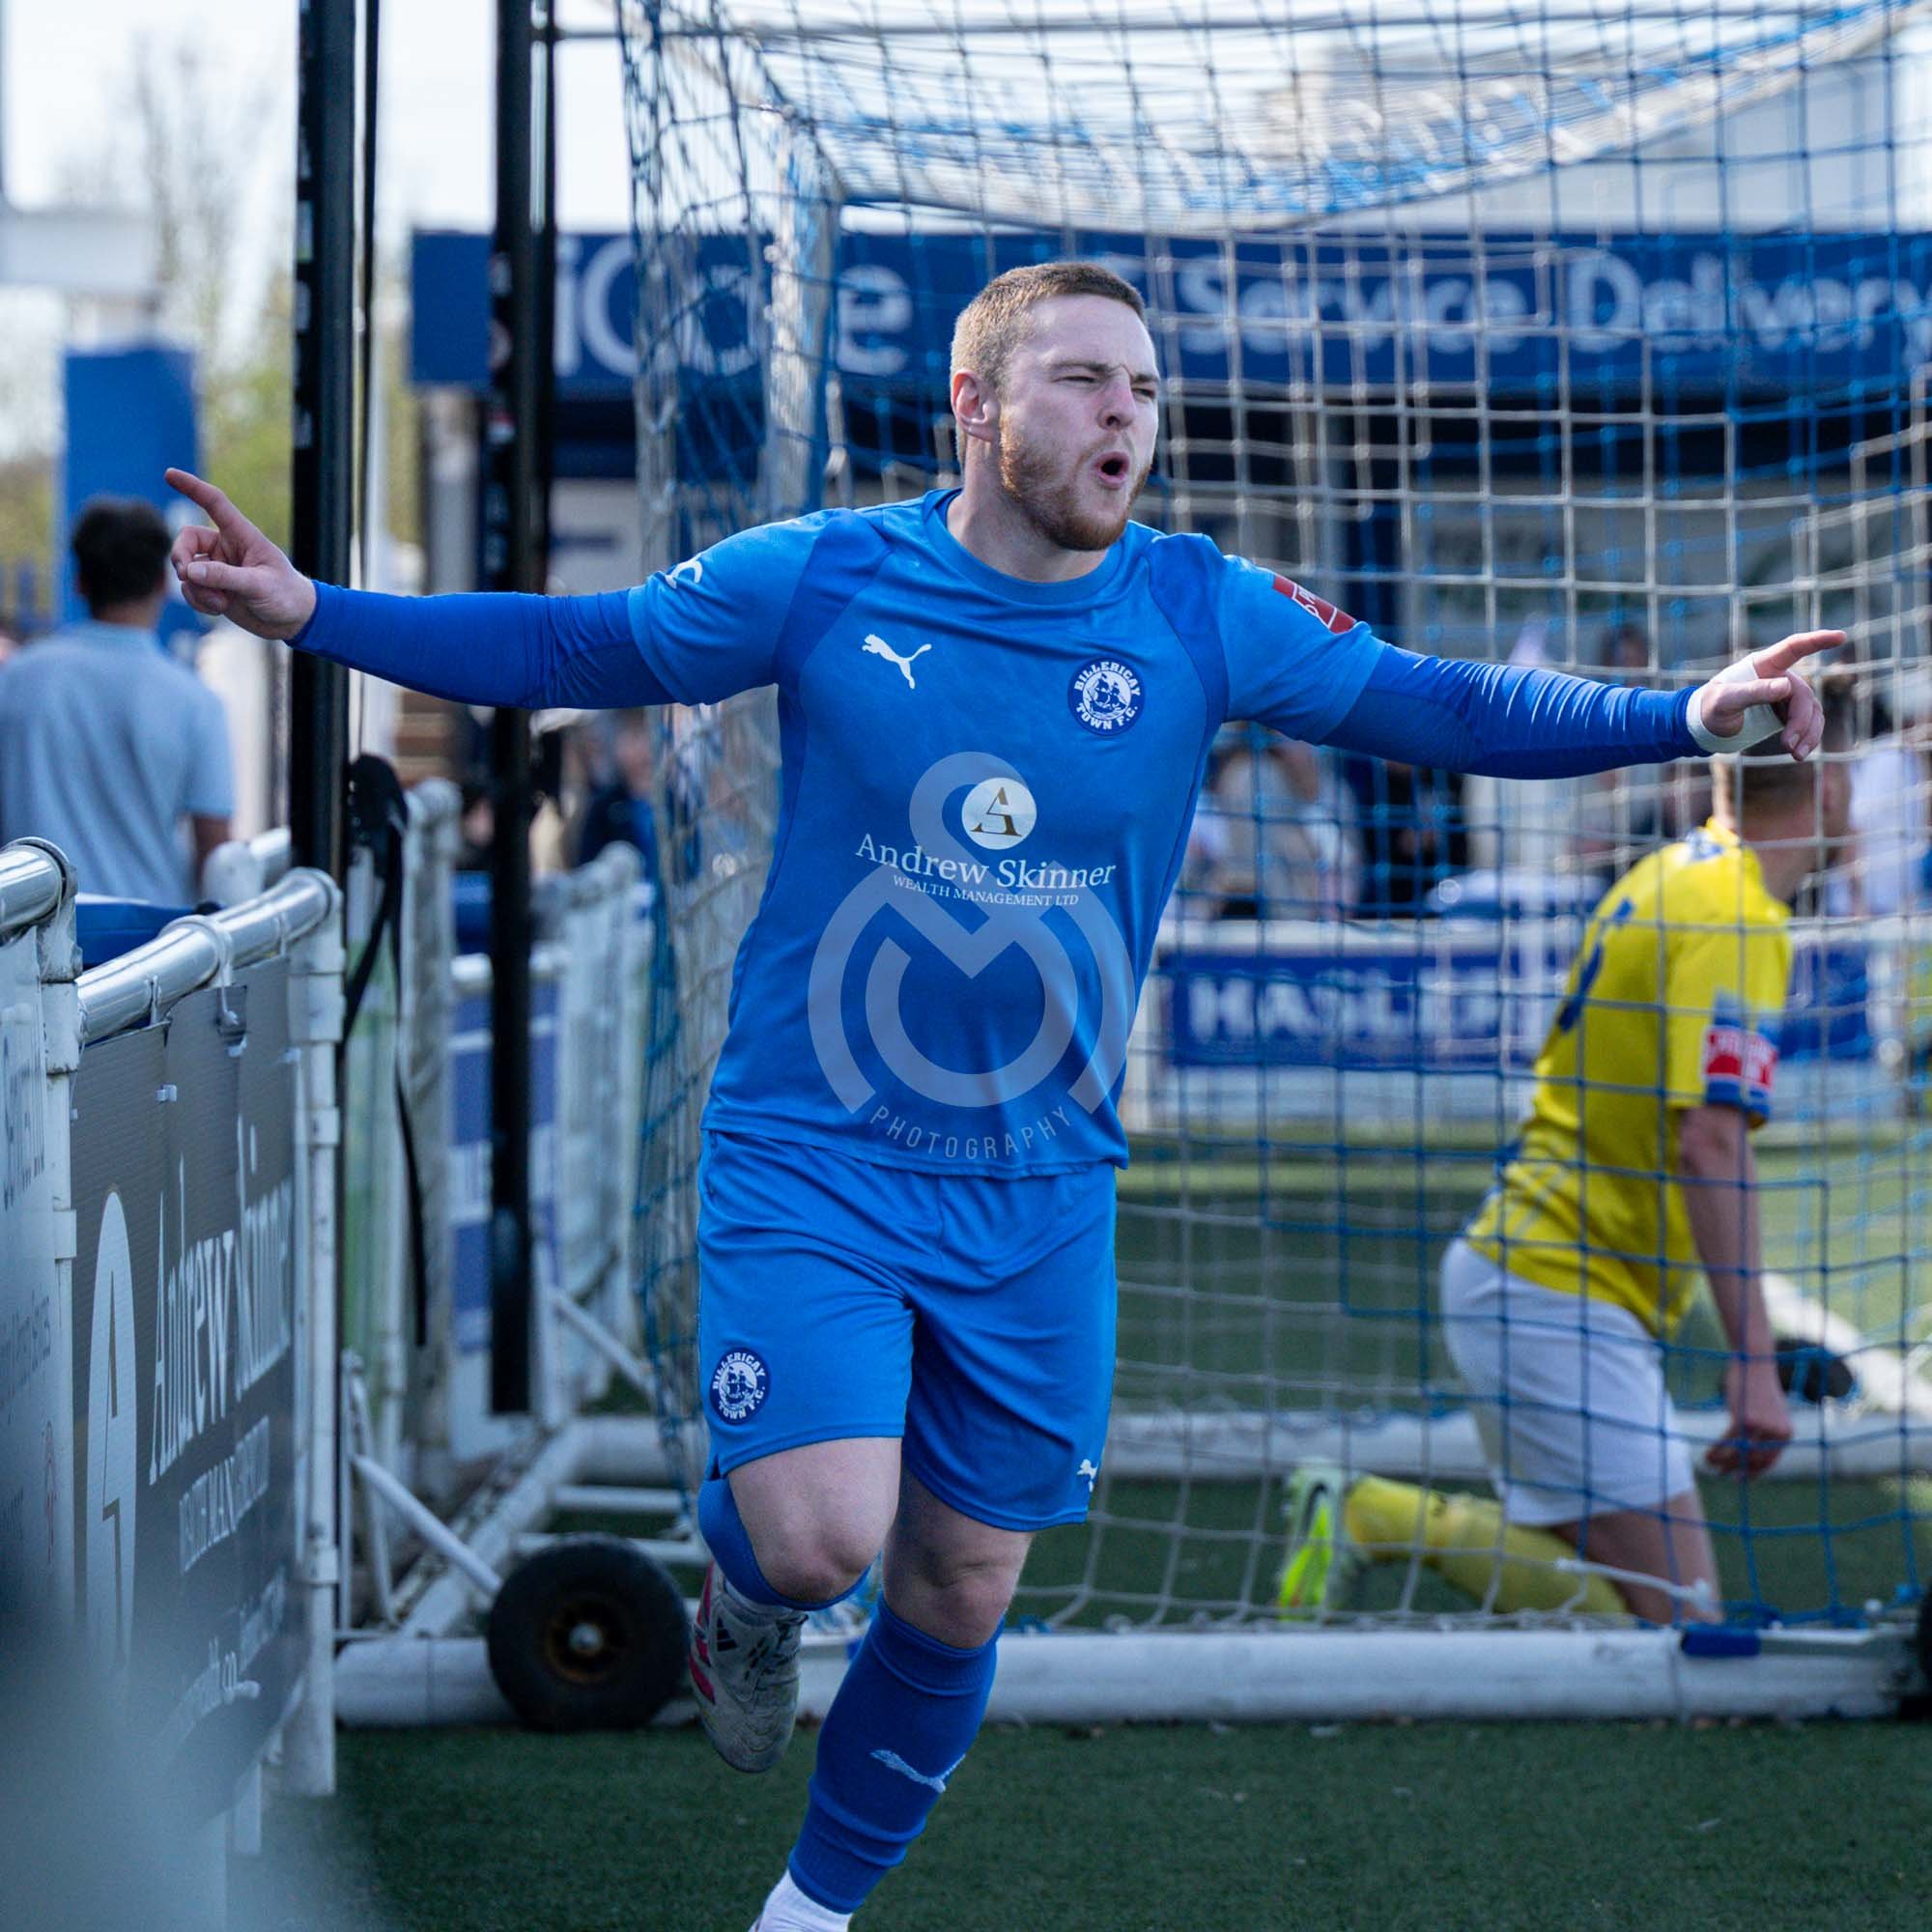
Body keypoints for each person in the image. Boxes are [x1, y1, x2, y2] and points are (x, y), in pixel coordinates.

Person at [163, 260, 1833, 1932]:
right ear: (978, 407)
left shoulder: (1199, 607)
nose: (1129, 420)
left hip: (1041, 1190)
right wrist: (316, 613)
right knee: (823, 1541)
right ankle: (743, 1591)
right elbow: (583, 640)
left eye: (1148, 393)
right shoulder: (822, 578)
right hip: (812, 1155)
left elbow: (1445, 702)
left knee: (957, 1587)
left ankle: (803, 1919)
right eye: (1088, 384)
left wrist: (1680, 715)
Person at [1280, 678, 1854, 1627]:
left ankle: (1380, 1513)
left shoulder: (1671, 872)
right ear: (1826, 788)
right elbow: (1706, 1135)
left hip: (1542, 1284)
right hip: (1556, 1292)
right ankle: (1371, 1511)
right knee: (1680, 1632)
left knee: (1645, 1615)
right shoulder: (1738, 913)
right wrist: (1752, 1357)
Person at [0, 497, 233, 902]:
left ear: (80, 582)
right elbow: (216, 856)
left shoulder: (16, 679)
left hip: (27, 933)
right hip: (152, 946)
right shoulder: (195, 703)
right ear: (163, 582)